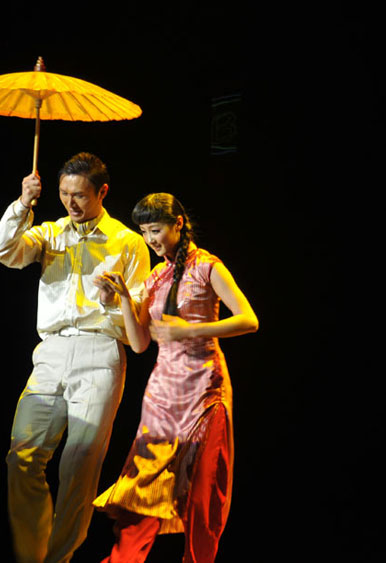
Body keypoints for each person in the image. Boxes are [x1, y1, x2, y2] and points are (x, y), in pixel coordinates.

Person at [0, 152, 151, 563]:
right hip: (51, 352)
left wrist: (114, 300)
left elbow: (139, 317)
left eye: (79, 194)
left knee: (79, 465)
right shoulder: (50, 232)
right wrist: (23, 203)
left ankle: (58, 558)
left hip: (100, 351)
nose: (70, 202)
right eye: (64, 193)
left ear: (102, 192)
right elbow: (3, 251)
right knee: (22, 455)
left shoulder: (127, 242)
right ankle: (33, 555)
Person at [91, 193, 258, 563]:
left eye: (155, 230)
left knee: (203, 491)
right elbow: (139, 344)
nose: (150, 239)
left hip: (204, 390)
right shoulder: (155, 276)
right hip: (163, 396)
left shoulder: (207, 266)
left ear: (178, 224)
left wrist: (190, 330)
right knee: (142, 490)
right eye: (144, 232)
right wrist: (123, 299)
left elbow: (249, 319)